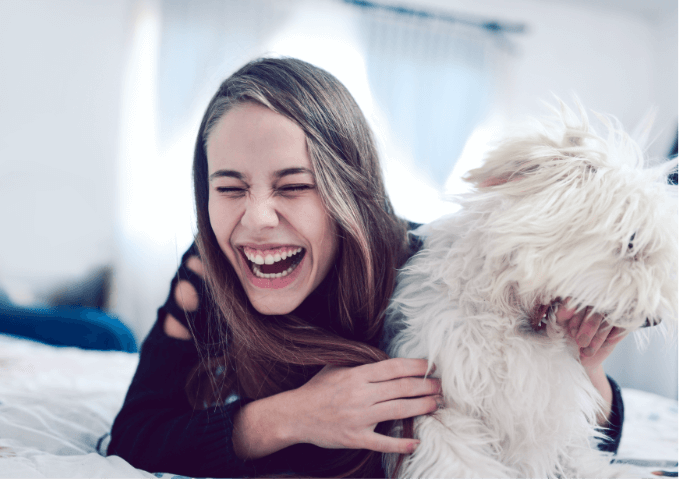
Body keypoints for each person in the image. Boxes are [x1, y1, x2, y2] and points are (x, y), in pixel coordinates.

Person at [107, 57, 625, 478]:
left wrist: (586, 372)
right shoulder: (207, 270)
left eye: (294, 186)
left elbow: (549, 445)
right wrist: (291, 417)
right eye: (229, 189)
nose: (257, 219)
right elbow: (134, 435)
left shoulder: (431, 270)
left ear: (350, 193)